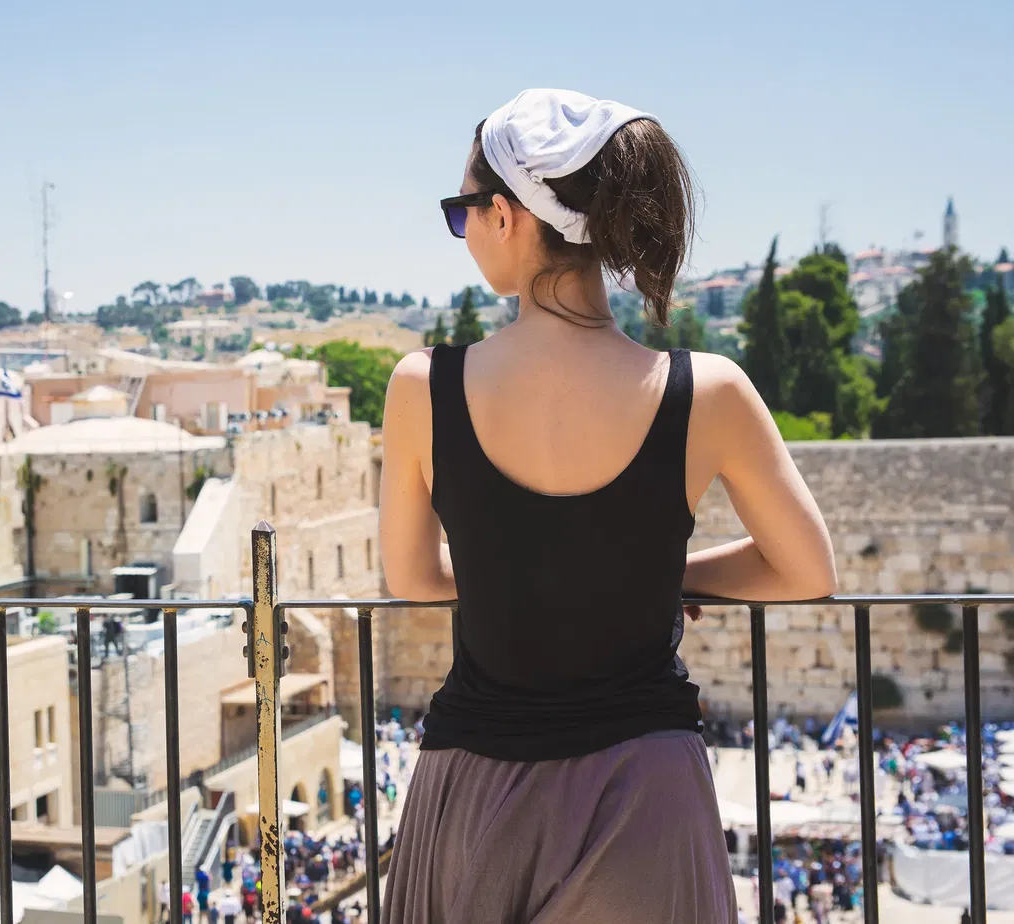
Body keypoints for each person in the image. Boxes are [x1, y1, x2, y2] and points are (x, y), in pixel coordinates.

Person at [377, 88, 836, 923]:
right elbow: (807, 571)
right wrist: (662, 579)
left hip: (479, 785)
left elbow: (410, 575)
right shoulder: (709, 392)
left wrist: (509, 576)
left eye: (463, 211)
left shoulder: (424, 389)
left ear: (509, 215)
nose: (465, 232)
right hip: (646, 796)